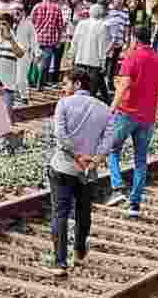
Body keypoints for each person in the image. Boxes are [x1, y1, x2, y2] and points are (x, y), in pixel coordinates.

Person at [46, 69, 111, 278]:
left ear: (77, 84)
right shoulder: (104, 108)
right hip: (87, 171)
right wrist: (95, 159)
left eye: (66, 83)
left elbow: (60, 136)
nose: (63, 88)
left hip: (63, 166)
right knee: (84, 212)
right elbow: (108, 140)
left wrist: (76, 156)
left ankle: (60, 262)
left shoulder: (64, 104)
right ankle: (79, 250)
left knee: (60, 214)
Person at [104, 26, 158, 217]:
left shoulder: (132, 56)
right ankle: (135, 205)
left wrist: (111, 108)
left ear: (134, 38)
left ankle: (117, 187)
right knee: (140, 160)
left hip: (127, 112)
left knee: (112, 149)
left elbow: (124, 84)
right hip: (148, 115)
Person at [71, 4, 110, 100]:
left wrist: (73, 55)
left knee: (79, 86)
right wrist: (103, 63)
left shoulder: (81, 24)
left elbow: (74, 42)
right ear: (101, 13)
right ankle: (104, 100)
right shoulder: (102, 26)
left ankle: (106, 98)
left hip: (80, 59)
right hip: (94, 62)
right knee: (90, 89)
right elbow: (102, 47)